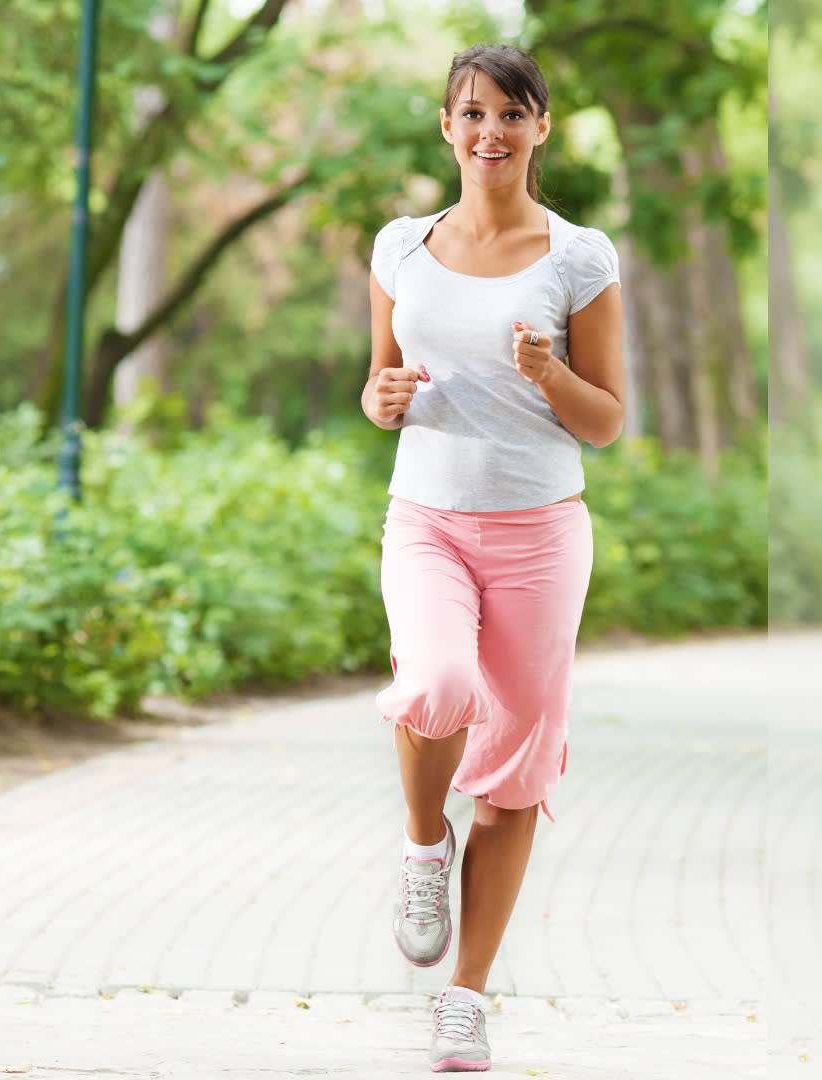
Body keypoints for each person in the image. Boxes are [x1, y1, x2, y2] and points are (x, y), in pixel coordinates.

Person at [362, 44, 624, 1073]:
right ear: (446, 127)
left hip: (540, 533)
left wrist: (547, 372)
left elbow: (605, 420)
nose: (491, 132)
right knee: (435, 684)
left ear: (541, 128)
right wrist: (381, 398)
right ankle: (424, 842)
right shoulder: (401, 248)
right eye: (472, 113)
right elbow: (380, 385)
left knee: (513, 775)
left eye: (512, 114)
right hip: (426, 517)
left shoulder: (578, 258)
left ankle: (464, 1001)